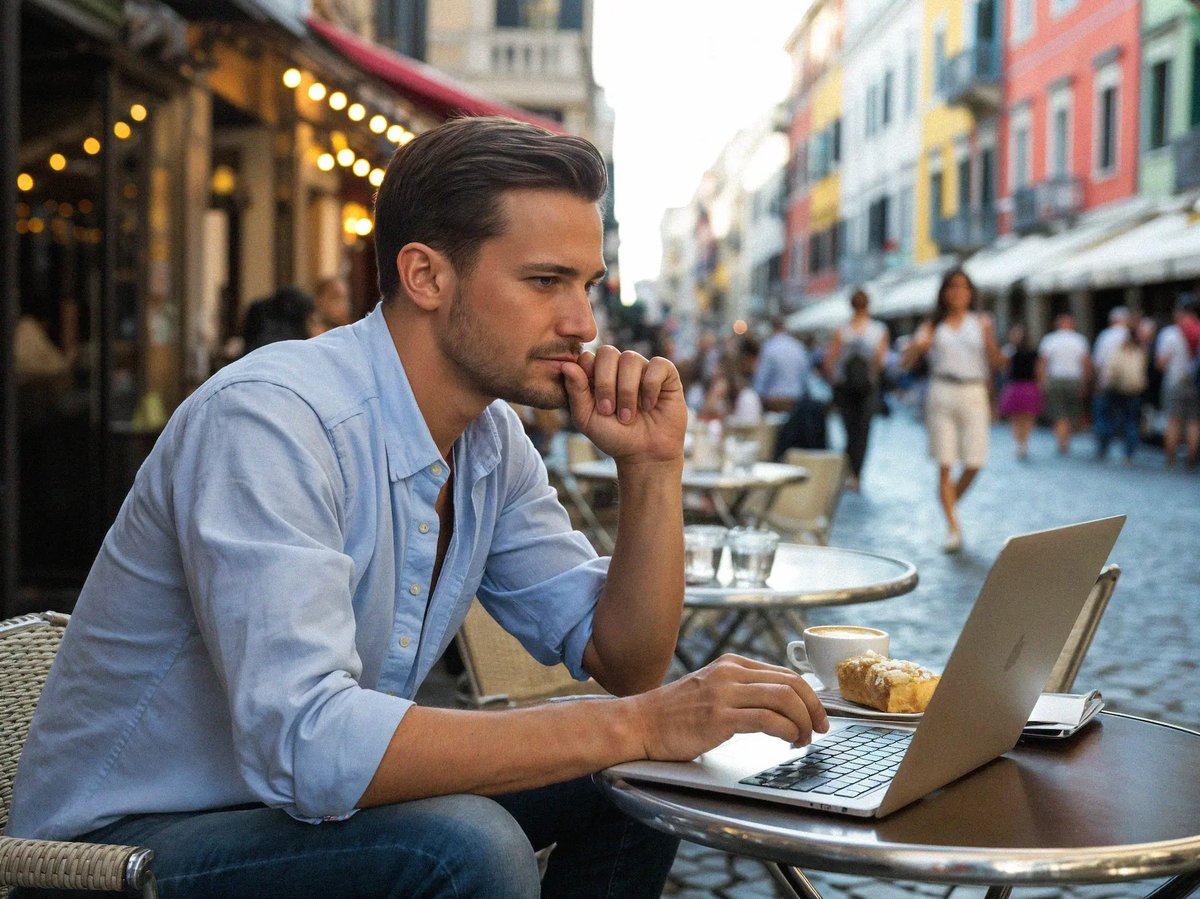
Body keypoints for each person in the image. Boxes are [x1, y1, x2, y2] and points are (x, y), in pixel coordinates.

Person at [9, 117, 827, 899]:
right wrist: (640, 723)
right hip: (117, 853)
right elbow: (307, 744)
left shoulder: (490, 440)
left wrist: (652, 470)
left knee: (637, 782)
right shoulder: (271, 418)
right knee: (469, 846)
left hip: (288, 817)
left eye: (587, 286)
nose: (582, 324)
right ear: (426, 275)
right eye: (546, 281)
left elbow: (627, 660)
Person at [901, 268, 1003, 553]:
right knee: (945, 462)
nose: (958, 292)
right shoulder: (932, 325)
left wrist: (990, 341)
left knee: (975, 461)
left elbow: (996, 362)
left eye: (963, 287)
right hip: (942, 391)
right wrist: (918, 346)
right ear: (944, 292)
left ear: (971, 292)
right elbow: (905, 363)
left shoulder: (982, 322)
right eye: (952, 287)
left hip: (974, 391)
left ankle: (948, 503)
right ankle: (953, 527)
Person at [822, 289, 889, 490]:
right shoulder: (877, 329)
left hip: (846, 387)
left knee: (850, 430)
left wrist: (836, 380)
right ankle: (856, 473)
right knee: (862, 431)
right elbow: (880, 361)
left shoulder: (842, 330)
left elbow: (830, 361)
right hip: (866, 388)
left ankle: (851, 470)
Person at [1036, 313, 1092, 455]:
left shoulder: (1050, 340)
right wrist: (1085, 382)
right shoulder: (1080, 340)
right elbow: (1086, 364)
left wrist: (1042, 382)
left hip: (1056, 380)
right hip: (1074, 380)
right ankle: (1065, 440)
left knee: (1059, 412)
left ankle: (1062, 441)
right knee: (1071, 412)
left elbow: (1043, 363)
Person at [1154, 294, 1200, 468]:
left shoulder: (1171, 333)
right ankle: (1191, 460)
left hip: (1175, 382)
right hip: (1196, 384)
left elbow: (1161, 363)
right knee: (1194, 422)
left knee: (1173, 421)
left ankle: (1171, 459)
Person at [1096, 314, 1148, 465]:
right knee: (1131, 421)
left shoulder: (1111, 343)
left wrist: (1101, 383)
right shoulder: (1141, 352)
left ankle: (1104, 447)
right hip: (1134, 390)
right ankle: (1129, 454)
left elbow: (1104, 365)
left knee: (1109, 418)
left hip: (1115, 389)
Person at [997, 323, 1042, 460]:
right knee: (1020, 417)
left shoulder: (1011, 351)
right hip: (1021, 385)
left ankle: (1022, 442)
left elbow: (1004, 368)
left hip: (1021, 385)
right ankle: (1021, 442)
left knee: (1023, 417)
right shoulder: (1012, 351)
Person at [1091, 306, 1131, 457]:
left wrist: (1096, 381)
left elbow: (1098, 361)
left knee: (1104, 414)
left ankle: (1103, 447)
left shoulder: (1105, 336)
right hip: (1131, 384)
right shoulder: (1132, 336)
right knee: (1129, 417)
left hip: (1106, 382)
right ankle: (1129, 452)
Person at [753, 316, 810, 413]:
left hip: (774, 401)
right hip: (796, 399)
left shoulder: (769, 347)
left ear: (772, 328)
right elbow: (805, 375)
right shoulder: (798, 346)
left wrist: (756, 396)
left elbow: (761, 377)